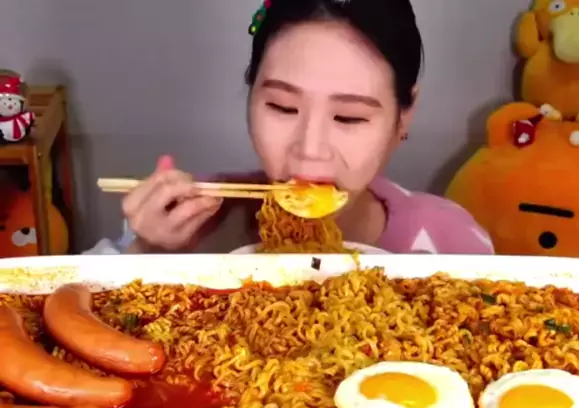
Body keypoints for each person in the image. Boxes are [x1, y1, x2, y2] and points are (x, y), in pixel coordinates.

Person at [86, 0, 494, 255]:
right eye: (282, 107)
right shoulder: (188, 220)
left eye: (349, 117)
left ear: (403, 116)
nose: (309, 151)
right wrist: (146, 252)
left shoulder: (452, 242)